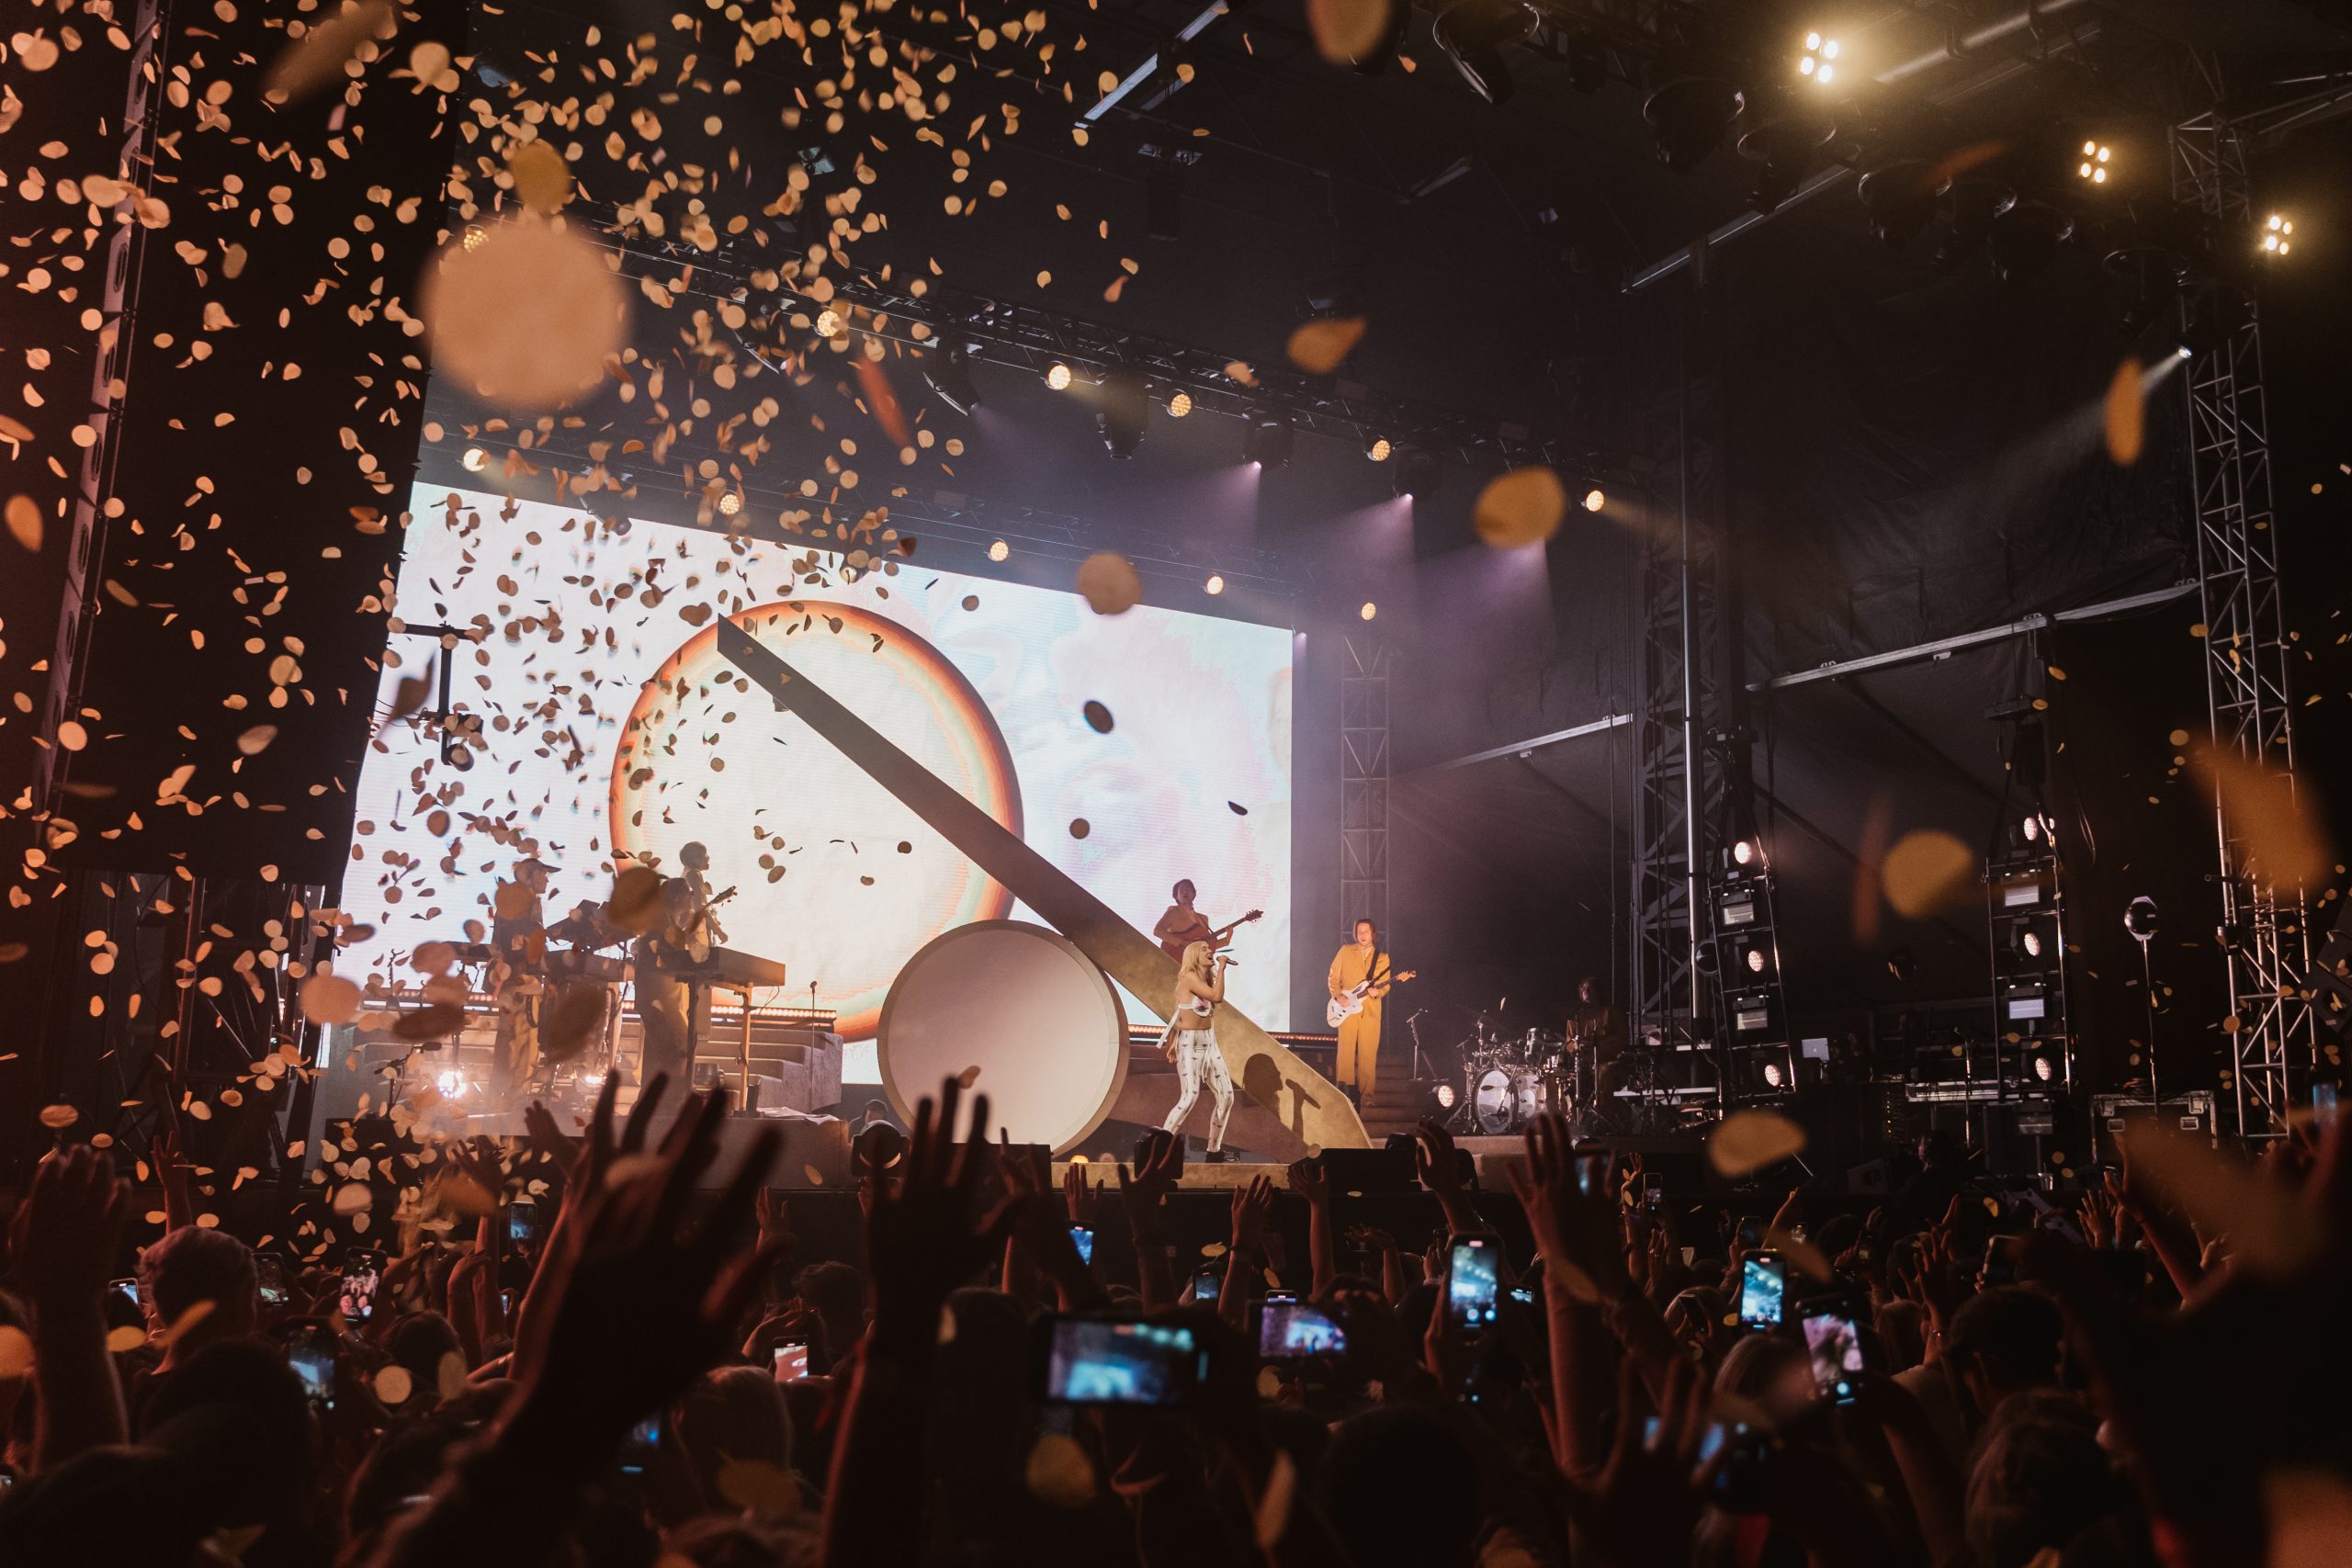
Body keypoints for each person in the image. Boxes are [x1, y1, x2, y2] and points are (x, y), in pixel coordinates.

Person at [1161, 941, 1237, 1161]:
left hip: (1209, 1041)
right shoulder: (1188, 977)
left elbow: (1181, 1012)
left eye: (1209, 948)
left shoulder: (1205, 979)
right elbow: (1216, 997)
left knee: (1227, 1097)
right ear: (1193, 955)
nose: (1210, 951)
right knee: (1189, 1097)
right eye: (1204, 949)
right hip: (1191, 1043)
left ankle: (1214, 1151)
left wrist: (1217, 972)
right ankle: (1157, 1148)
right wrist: (1222, 968)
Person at [1329, 918, 1393, 1104]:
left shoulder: (1382, 958)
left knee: (1368, 1055)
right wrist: (1338, 995)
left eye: (1366, 931)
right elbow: (1333, 976)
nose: (1362, 934)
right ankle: (1344, 1094)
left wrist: (1377, 991)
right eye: (1359, 931)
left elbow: (1385, 985)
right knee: (1345, 1052)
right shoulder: (1345, 951)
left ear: (1373, 934)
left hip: (1370, 1012)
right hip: (1347, 1008)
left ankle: (1367, 1097)